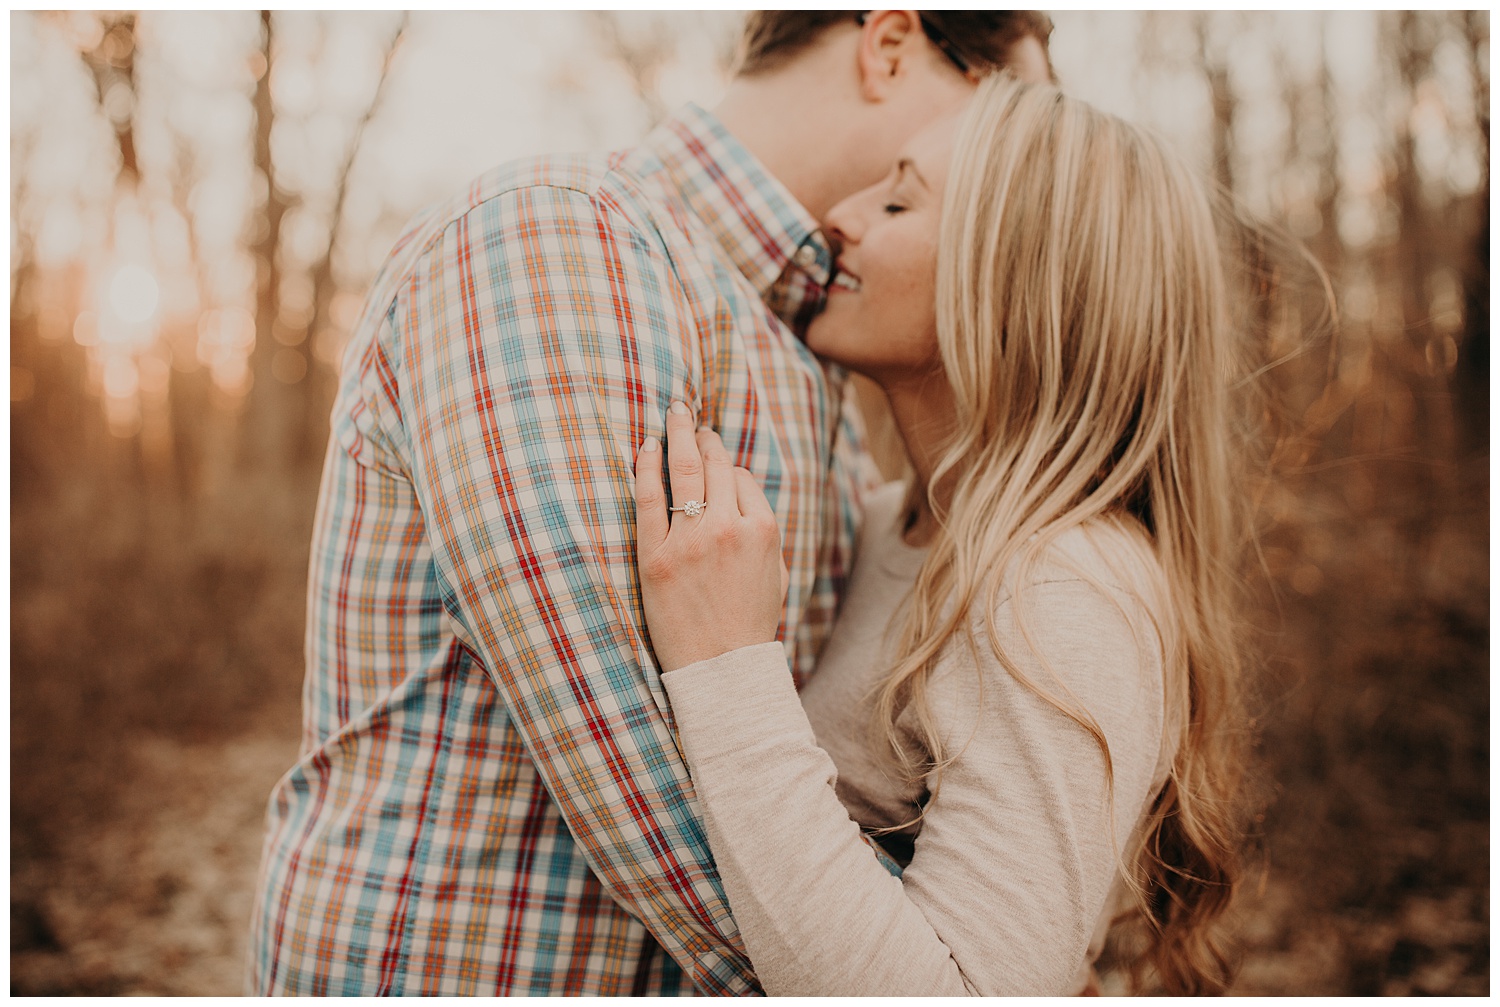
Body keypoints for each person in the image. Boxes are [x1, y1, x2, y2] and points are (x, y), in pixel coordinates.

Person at [248, 12, 1054, 997]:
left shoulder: (812, 355)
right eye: (1004, 114)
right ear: (889, 45)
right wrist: (941, 971)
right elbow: (648, 784)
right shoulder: (564, 236)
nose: (1021, 167)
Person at [633, 75, 1260, 995]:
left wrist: (725, 664)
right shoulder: (889, 518)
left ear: (1012, 275)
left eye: (897, 199)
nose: (839, 217)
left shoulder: (1064, 583)